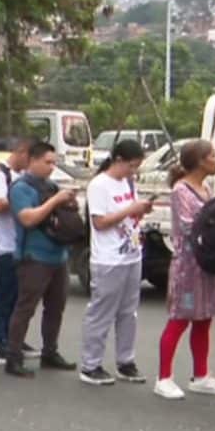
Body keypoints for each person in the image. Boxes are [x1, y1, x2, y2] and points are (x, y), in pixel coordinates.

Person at [155, 140, 215, 400]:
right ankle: (164, 378)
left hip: (207, 263)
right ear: (200, 161)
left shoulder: (207, 188)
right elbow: (189, 225)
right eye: (212, 156)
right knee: (180, 318)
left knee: (204, 318)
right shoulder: (180, 190)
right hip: (188, 265)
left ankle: (201, 375)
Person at [78, 140, 152, 386]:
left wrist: (140, 210)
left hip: (132, 253)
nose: (133, 171)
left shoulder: (128, 182)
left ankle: (125, 361)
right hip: (108, 258)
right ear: (118, 160)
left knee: (128, 313)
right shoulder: (99, 185)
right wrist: (131, 209)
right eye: (131, 165)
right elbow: (99, 222)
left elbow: (130, 213)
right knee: (101, 312)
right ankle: (91, 364)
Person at [3, 142, 80, 378]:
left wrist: (68, 203)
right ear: (33, 160)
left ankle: (50, 352)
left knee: (56, 308)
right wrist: (55, 201)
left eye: (54, 162)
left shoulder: (51, 186)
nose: (51, 167)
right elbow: (27, 219)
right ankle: (13, 356)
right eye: (47, 162)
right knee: (25, 308)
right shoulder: (20, 188)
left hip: (58, 255)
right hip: (34, 256)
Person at [0, 137, 37, 364]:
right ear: (21, 151)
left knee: (19, 298)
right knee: (3, 297)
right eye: (30, 158)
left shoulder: (23, 176)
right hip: (4, 247)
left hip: (23, 246)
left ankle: (13, 338)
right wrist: (22, 200)